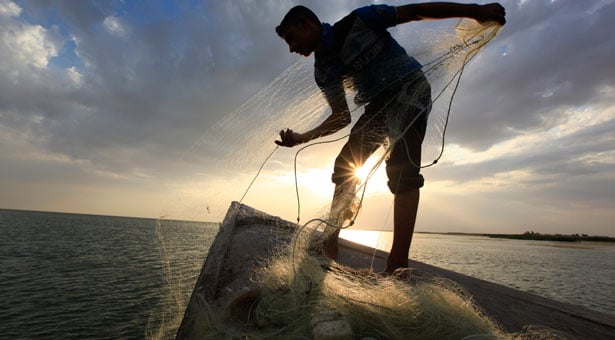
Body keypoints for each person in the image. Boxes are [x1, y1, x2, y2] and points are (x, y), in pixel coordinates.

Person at [274, 2, 505, 273]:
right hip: (379, 107)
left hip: (411, 89)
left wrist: (475, 11)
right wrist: (301, 138)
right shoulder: (323, 70)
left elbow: (414, 12)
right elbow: (341, 116)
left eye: (291, 38)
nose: (291, 48)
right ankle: (330, 244)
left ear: (306, 24)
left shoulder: (362, 19)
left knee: (402, 171)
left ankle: (398, 264)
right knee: (346, 165)